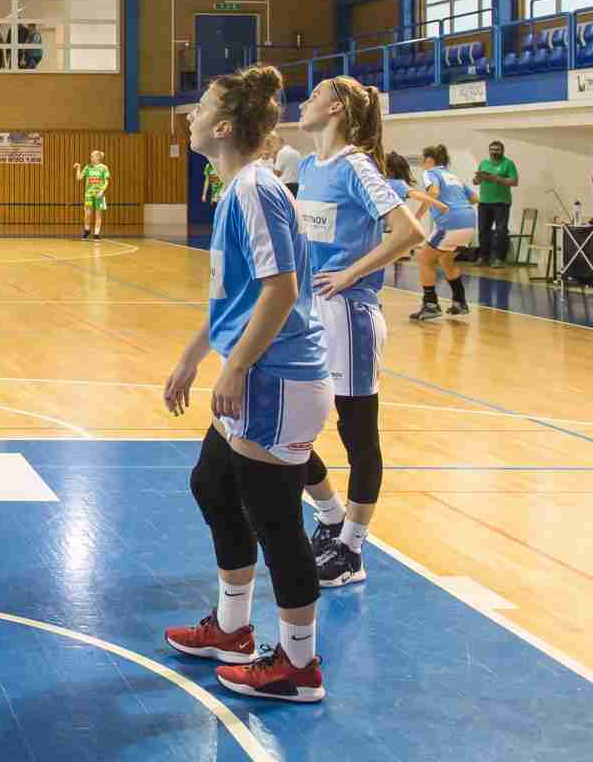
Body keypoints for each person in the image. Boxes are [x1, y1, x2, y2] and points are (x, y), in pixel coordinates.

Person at [163, 64, 329, 703]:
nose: (191, 115)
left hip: (276, 377)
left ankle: (298, 665)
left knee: (275, 520)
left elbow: (280, 290)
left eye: (202, 107)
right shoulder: (237, 187)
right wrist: (193, 356)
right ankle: (232, 630)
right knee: (212, 484)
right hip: (257, 372)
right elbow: (236, 298)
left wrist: (234, 367)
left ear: (226, 127)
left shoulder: (254, 189)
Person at [291, 78, 426, 590]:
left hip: (349, 316)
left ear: (337, 107)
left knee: (358, 437)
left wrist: (351, 273)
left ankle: (351, 549)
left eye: (314, 95)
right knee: (286, 428)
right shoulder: (310, 166)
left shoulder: (357, 166)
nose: (305, 102)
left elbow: (410, 231)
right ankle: (330, 517)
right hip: (309, 312)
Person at [412, 144, 478, 321]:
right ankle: (460, 302)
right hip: (469, 224)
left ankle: (430, 305)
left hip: (451, 223)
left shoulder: (430, 173)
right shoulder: (453, 176)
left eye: (423, 160)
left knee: (424, 259)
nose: (423, 164)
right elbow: (475, 198)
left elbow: (433, 192)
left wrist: (417, 216)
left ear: (430, 160)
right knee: (445, 260)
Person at [472, 141, 519, 266]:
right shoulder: (484, 163)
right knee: (483, 230)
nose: (494, 152)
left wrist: (497, 179)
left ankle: (500, 259)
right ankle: (483, 257)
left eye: (497, 149)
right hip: (484, 202)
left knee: (501, 231)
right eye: (492, 149)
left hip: (501, 203)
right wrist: (477, 179)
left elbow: (514, 181)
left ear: (502, 151)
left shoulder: (508, 163)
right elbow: (476, 181)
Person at [75, 150, 110, 240]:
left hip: (99, 195)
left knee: (98, 215)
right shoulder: (88, 167)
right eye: (90, 156)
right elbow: (79, 178)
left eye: (92, 156)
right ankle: (87, 231)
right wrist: (78, 168)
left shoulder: (104, 168)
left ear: (97, 157)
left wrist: (101, 191)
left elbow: (106, 182)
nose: (90, 158)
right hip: (89, 195)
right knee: (87, 214)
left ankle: (96, 234)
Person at [271, 132, 303, 198]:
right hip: (297, 185)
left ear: (280, 142)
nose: (273, 146)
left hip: (286, 185)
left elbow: (277, 174)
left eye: (274, 143)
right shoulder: (296, 152)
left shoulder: (281, 152)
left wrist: (274, 159)